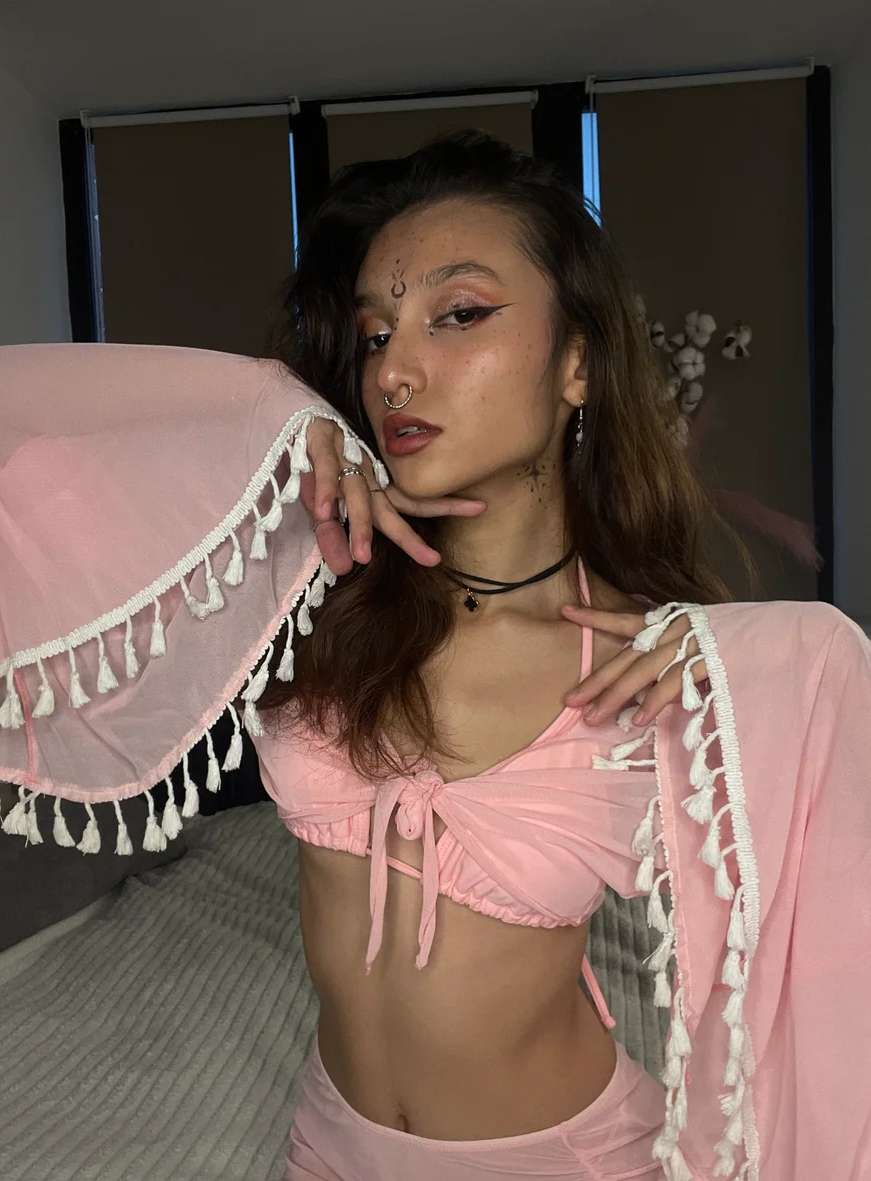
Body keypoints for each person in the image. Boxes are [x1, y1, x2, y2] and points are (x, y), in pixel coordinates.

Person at [251, 130, 749, 1180]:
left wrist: (792, 655)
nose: (393, 371)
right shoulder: (313, 586)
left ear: (578, 363)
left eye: (460, 314)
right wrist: (267, 419)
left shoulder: (652, 659)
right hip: (330, 1146)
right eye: (375, 334)